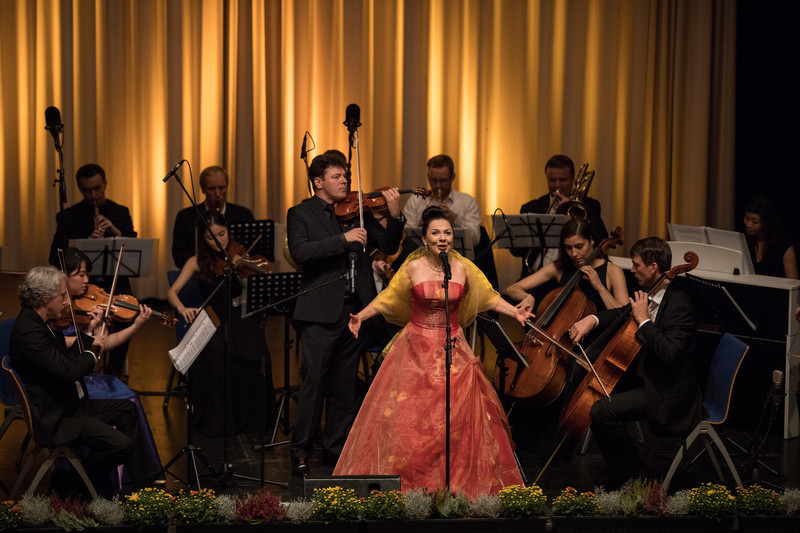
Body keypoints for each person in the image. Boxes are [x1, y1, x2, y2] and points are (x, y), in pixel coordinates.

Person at [333, 206, 530, 497]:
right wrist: (361, 316)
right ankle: (414, 483)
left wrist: (515, 313)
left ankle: (454, 485)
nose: (442, 238)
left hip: (453, 347)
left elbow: (489, 297)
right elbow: (388, 299)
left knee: (456, 418)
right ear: (424, 238)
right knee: (415, 418)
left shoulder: (462, 267)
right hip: (416, 349)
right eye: (435, 233)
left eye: (447, 233)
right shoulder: (413, 267)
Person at [286, 152, 404, 476]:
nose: (345, 183)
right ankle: (301, 451)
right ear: (318, 182)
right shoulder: (301, 213)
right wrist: (343, 239)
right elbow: (300, 252)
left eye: (346, 177)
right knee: (314, 385)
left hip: (356, 313)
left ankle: (335, 449)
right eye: (337, 177)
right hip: (320, 313)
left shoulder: (359, 214)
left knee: (344, 385)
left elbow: (388, 243)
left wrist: (394, 216)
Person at [9, 266, 158, 495]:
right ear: (45, 298)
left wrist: (90, 333)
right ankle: (74, 481)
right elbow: (68, 371)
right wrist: (93, 351)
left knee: (127, 410)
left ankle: (143, 486)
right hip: (57, 418)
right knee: (123, 445)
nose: (68, 302)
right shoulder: (30, 332)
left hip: (68, 404)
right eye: (62, 296)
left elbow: (65, 358)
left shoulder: (44, 322)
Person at [569, 237, 703, 489]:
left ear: (653, 267)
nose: (632, 270)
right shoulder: (649, 294)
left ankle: (631, 474)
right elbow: (619, 314)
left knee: (601, 411)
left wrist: (643, 322)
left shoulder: (679, 304)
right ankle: (628, 470)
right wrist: (592, 320)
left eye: (636, 265)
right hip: (649, 379)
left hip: (669, 392)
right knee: (592, 392)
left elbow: (670, 353)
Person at [503, 218, 628, 464]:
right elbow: (512, 288)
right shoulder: (560, 267)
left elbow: (624, 316)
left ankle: (550, 450)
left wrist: (599, 286)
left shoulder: (612, 271)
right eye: (569, 247)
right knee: (517, 371)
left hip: (591, 347)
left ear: (593, 242)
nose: (574, 253)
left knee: (564, 377)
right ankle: (510, 440)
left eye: (580, 246)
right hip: (558, 344)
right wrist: (527, 296)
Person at [59, 248, 165, 484]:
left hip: (88, 375)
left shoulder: (88, 308)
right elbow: (73, 349)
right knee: (127, 400)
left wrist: (135, 326)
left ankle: (138, 473)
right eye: (81, 275)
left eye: (88, 275)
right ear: (63, 276)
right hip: (72, 382)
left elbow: (104, 345)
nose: (87, 281)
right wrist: (89, 334)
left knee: (129, 396)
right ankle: (112, 476)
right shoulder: (57, 310)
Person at [167, 210, 275, 437]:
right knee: (216, 358)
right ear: (202, 239)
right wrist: (181, 308)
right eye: (211, 237)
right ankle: (220, 423)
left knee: (257, 356)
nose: (219, 241)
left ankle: (254, 422)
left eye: (222, 234)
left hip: (241, 317)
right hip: (214, 321)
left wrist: (242, 269)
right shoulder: (197, 261)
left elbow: (254, 288)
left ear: (229, 230)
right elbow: (172, 291)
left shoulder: (239, 254)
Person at [48, 163, 138, 373]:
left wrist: (116, 232)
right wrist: (85, 246)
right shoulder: (68, 217)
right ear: (80, 189)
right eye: (87, 190)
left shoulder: (120, 212)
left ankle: (114, 369)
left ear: (105, 184)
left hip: (112, 283)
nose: (93, 195)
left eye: (97, 188)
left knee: (128, 313)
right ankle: (82, 365)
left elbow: (134, 246)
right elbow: (54, 257)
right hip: (80, 285)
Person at [511, 154, 608, 277]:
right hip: (535, 274)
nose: (557, 185)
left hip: (572, 275)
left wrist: (574, 212)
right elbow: (516, 252)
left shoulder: (589, 205)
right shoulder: (531, 208)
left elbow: (602, 240)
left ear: (572, 179)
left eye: (563, 180)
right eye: (552, 180)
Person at [172, 165, 255, 269]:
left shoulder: (243, 215)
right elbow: (179, 255)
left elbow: (253, 250)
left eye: (222, 188)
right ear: (202, 189)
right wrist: (208, 265)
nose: (217, 194)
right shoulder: (185, 217)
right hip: (200, 276)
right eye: (211, 189)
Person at [402, 154, 481, 248]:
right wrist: (420, 226)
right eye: (434, 181)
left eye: (443, 181)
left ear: (452, 177)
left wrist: (455, 219)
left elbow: (475, 239)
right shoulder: (416, 200)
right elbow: (404, 237)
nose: (438, 186)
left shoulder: (467, 202)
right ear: (428, 177)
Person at [743, 195, 798, 279]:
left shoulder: (784, 248)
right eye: (747, 219)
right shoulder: (744, 241)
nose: (749, 224)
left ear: (767, 223)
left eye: (755, 221)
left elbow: (792, 285)